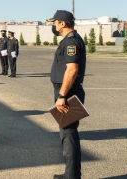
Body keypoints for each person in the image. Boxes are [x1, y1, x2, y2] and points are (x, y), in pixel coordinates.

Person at [47, 10, 86, 179]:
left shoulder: (70, 42)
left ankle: (72, 176)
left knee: (68, 135)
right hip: (66, 91)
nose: (54, 26)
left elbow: (72, 69)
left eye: (55, 22)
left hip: (68, 93)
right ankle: (71, 173)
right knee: (67, 134)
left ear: (62, 23)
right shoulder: (70, 40)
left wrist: (62, 95)